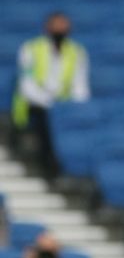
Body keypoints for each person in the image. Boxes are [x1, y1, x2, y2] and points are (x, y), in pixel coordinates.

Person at [11, 12, 90, 176]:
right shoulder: (31, 49)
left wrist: (69, 107)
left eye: (64, 27)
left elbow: (80, 88)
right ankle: (48, 168)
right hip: (35, 107)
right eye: (57, 26)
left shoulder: (77, 52)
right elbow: (27, 86)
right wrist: (50, 103)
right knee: (45, 121)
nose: (60, 31)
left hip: (64, 108)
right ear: (47, 28)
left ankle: (71, 170)